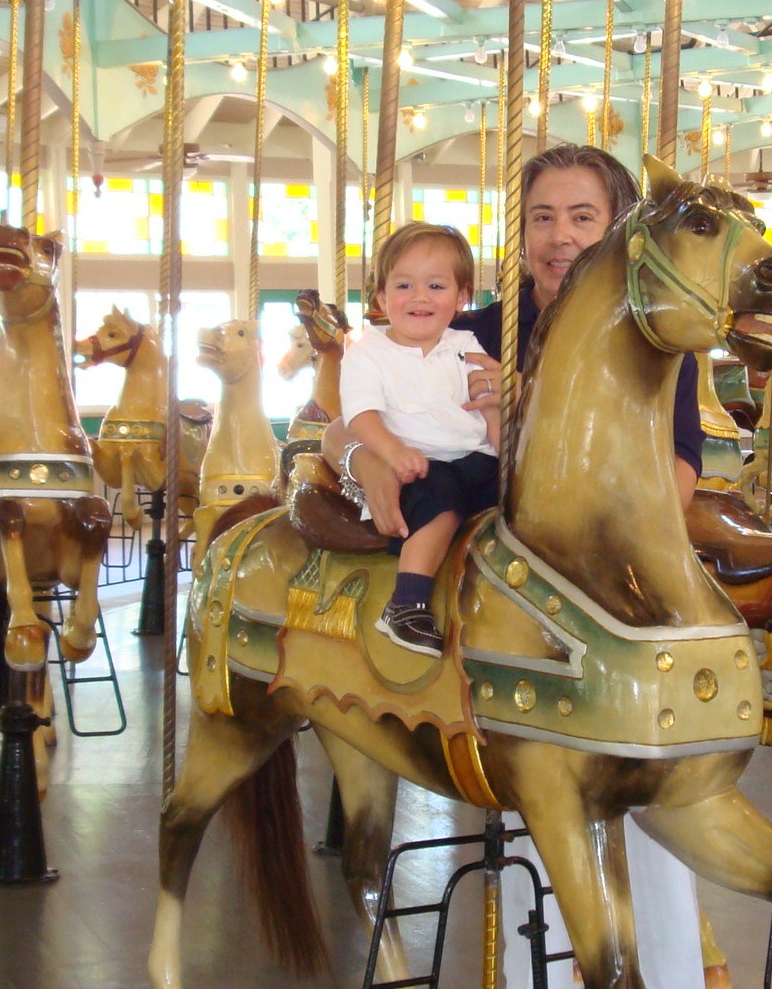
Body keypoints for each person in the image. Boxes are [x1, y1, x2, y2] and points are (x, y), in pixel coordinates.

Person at [322, 144, 710, 989]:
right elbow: (336, 417)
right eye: (542, 217)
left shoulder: (653, 332)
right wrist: (367, 462)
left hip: (608, 595)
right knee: (541, 810)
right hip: (502, 605)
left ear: (619, 231)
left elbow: (682, 463)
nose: (559, 237)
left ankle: (672, 967)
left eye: (582, 218)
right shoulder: (467, 325)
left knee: (647, 810)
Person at [338, 222, 499, 655]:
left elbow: (488, 410)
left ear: (462, 296)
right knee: (441, 507)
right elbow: (360, 415)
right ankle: (406, 603)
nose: (420, 297)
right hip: (416, 464)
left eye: (436, 285)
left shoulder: (466, 344)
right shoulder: (368, 353)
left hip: (474, 457)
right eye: (404, 285)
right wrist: (394, 452)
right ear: (381, 297)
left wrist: (505, 439)